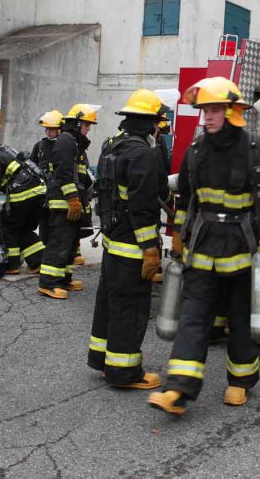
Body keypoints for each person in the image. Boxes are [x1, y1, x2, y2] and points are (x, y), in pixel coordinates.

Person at [148, 77, 260, 416]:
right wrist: (178, 234)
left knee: (241, 320)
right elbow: (186, 198)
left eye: (214, 110)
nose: (207, 117)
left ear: (233, 112)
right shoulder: (196, 151)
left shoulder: (256, 149)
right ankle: (178, 391)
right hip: (202, 251)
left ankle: (240, 382)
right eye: (204, 111)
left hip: (243, 253)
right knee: (193, 318)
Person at [88, 89, 170, 389]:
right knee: (130, 307)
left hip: (112, 240)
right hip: (132, 247)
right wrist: (150, 249)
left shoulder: (113, 145)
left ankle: (101, 359)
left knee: (108, 302)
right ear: (151, 123)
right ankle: (123, 371)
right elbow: (143, 206)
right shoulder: (142, 154)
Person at [37, 103, 100, 299]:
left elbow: (79, 176)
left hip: (72, 202)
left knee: (70, 243)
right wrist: (73, 199)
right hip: (63, 203)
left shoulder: (74, 142)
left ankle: (64, 279)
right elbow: (63, 173)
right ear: (78, 122)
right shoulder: (66, 141)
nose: (88, 129)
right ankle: (48, 283)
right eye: (87, 125)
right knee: (59, 242)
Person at [0, 132, 48, 275]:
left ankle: (11, 266)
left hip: (23, 196)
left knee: (9, 227)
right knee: (24, 229)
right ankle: (38, 262)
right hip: (39, 194)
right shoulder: (6, 151)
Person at [31, 110, 63, 254]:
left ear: (59, 129)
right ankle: (45, 246)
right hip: (42, 191)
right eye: (47, 129)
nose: (48, 132)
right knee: (44, 220)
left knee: (58, 221)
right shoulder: (39, 146)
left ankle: (58, 247)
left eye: (52, 129)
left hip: (59, 191)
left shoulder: (64, 145)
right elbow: (32, 165)